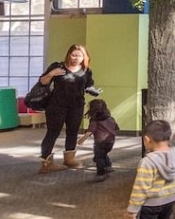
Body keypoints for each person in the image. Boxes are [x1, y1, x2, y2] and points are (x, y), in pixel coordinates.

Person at [37, 44, 99, 173]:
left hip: (76, 106)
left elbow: (88, 86)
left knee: (73, 132)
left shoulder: (86, 70)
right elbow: (42, 82)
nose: (76, 58)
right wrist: (52, 74)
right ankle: (46, 162)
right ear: (69, 55)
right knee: (53, 132)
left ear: (84, 57)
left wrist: (93, 91)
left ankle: (69, 159)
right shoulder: (58, 67)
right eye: (73, 55)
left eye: (79, 56)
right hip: (56, 105)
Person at [77, 99, 119, 181]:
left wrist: (82, 139)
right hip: (111, 141)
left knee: (99, 157)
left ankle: (101, 174)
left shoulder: (95, 120)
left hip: (100, 142)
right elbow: (116, 128)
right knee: (103, 154)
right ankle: (108, 167)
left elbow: (90, 131)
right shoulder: (111, 118)